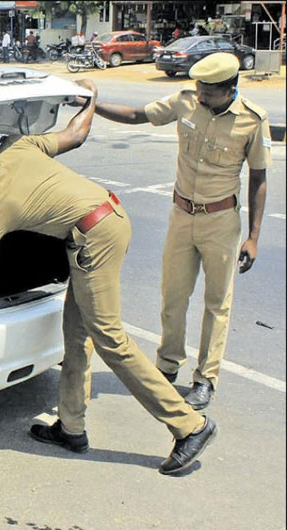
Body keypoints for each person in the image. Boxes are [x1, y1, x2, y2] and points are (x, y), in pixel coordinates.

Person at [0, 79, 217, 476]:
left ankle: (189, 425)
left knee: (110, 338)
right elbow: (76, 134)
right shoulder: (15, 149)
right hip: (106, 218)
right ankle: (72, 427)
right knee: (75, 333)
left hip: (95, 236)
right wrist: (91, 96)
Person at [88, 53, 271, 409]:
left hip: (221, 221)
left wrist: (253, 237)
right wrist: (93, 105)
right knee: (173, 297)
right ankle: (168, 365)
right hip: (181, 215)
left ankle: (206, 378)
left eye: (208, 92)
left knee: (217, 303)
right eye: (199, 89)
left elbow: (259, 177)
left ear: (230, 89)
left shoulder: (252, 121)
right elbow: (138, 115)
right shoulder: (185, 101)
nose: (200, 97)